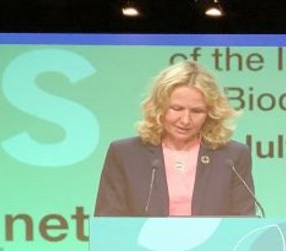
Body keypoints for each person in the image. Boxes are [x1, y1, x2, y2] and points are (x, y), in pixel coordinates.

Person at [94, 60, 256, 218]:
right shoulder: (125, 154)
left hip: (216, 246)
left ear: (210, 113)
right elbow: (108, 224)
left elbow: (243, 223)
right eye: (177, 108)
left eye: (197, 111)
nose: (185, 120)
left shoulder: (232, 157)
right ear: (159, 107)